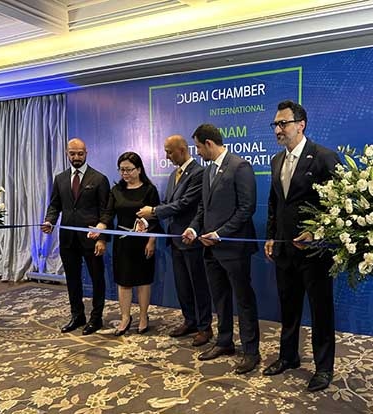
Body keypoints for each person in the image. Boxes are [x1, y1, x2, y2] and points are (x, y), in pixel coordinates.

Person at [263, 100, 340, 392]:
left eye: (283, 123)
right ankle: (288, 357)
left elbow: (340, 207)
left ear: (301, 125)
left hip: (316, 253)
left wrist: (316, 230)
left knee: (321, 311)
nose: (278, 129)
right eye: (276, 124)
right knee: (288, 307)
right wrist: (272, 235)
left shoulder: (323, 157)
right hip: (284, 250)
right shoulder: (276, 161)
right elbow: (274, 204)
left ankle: (323, 368)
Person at [182, 124, 260, 374]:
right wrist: (194, 229)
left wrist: (220, 234)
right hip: (210, 250)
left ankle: (251, 352)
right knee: (220, 299)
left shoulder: (240, 167)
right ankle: (224, 342)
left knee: (244, 301)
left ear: (209, 144)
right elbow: (203, 210)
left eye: (197, 147)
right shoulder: (207, 172)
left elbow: (246, 209)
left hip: (234, 250)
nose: (197, 152)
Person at [137, 135, 213, 346]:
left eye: (169, 152)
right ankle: (190, 320)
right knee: (182, 286)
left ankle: (205, 327)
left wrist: (153, 211)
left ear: (182, 150)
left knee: (198, 286)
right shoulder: (173, 175)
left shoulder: (199, 173)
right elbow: (169, 203)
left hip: (192, 240)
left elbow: (185, 204)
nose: (167, 156)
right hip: (175, 240)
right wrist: (150, 215)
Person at [42, 137, 110, 335]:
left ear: (86, 153)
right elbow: (54, 205)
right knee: (72, 279)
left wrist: (102, 238)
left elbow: (106, 212)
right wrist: (49, 221)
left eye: (80, 153)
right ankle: (77, 316)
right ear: (67, 153)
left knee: (97, 279)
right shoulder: (60, 178)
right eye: (72, 153)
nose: (76, 157)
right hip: (68, 240)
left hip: (91, 239)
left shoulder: (99, 178)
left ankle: (96, 318)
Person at [90, 152, 161, 335]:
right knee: (124, 281)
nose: (125, 173)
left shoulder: (149, 190)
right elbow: (107, 214)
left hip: (143, 242)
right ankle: (125, 317)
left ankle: (144, 316)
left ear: (139, 169)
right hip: (122, 243)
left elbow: (155, 218)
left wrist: (151, 240)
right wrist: (99, 228)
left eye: (129, 169)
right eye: (122, 170)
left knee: (144, 281)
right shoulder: (116, 191)